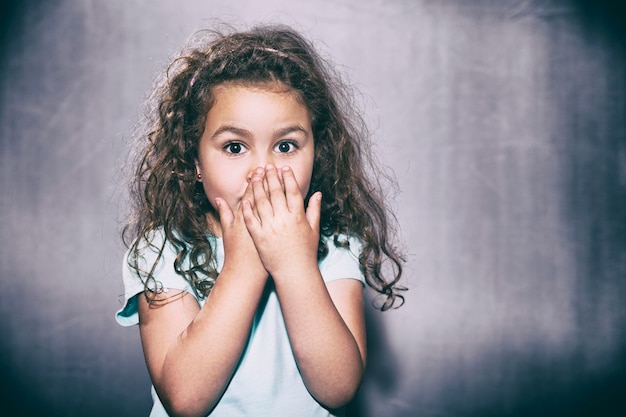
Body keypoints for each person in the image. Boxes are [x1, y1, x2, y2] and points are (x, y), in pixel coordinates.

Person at [116, 23, 406, 417]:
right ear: (195, 162)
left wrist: (294, 264)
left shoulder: (335, 246)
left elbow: (338, 389)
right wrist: (245, 265)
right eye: (235, 147)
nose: (263, 170)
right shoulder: (161, 251)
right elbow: (184, 400)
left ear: (316, 153)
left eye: (285, 146)